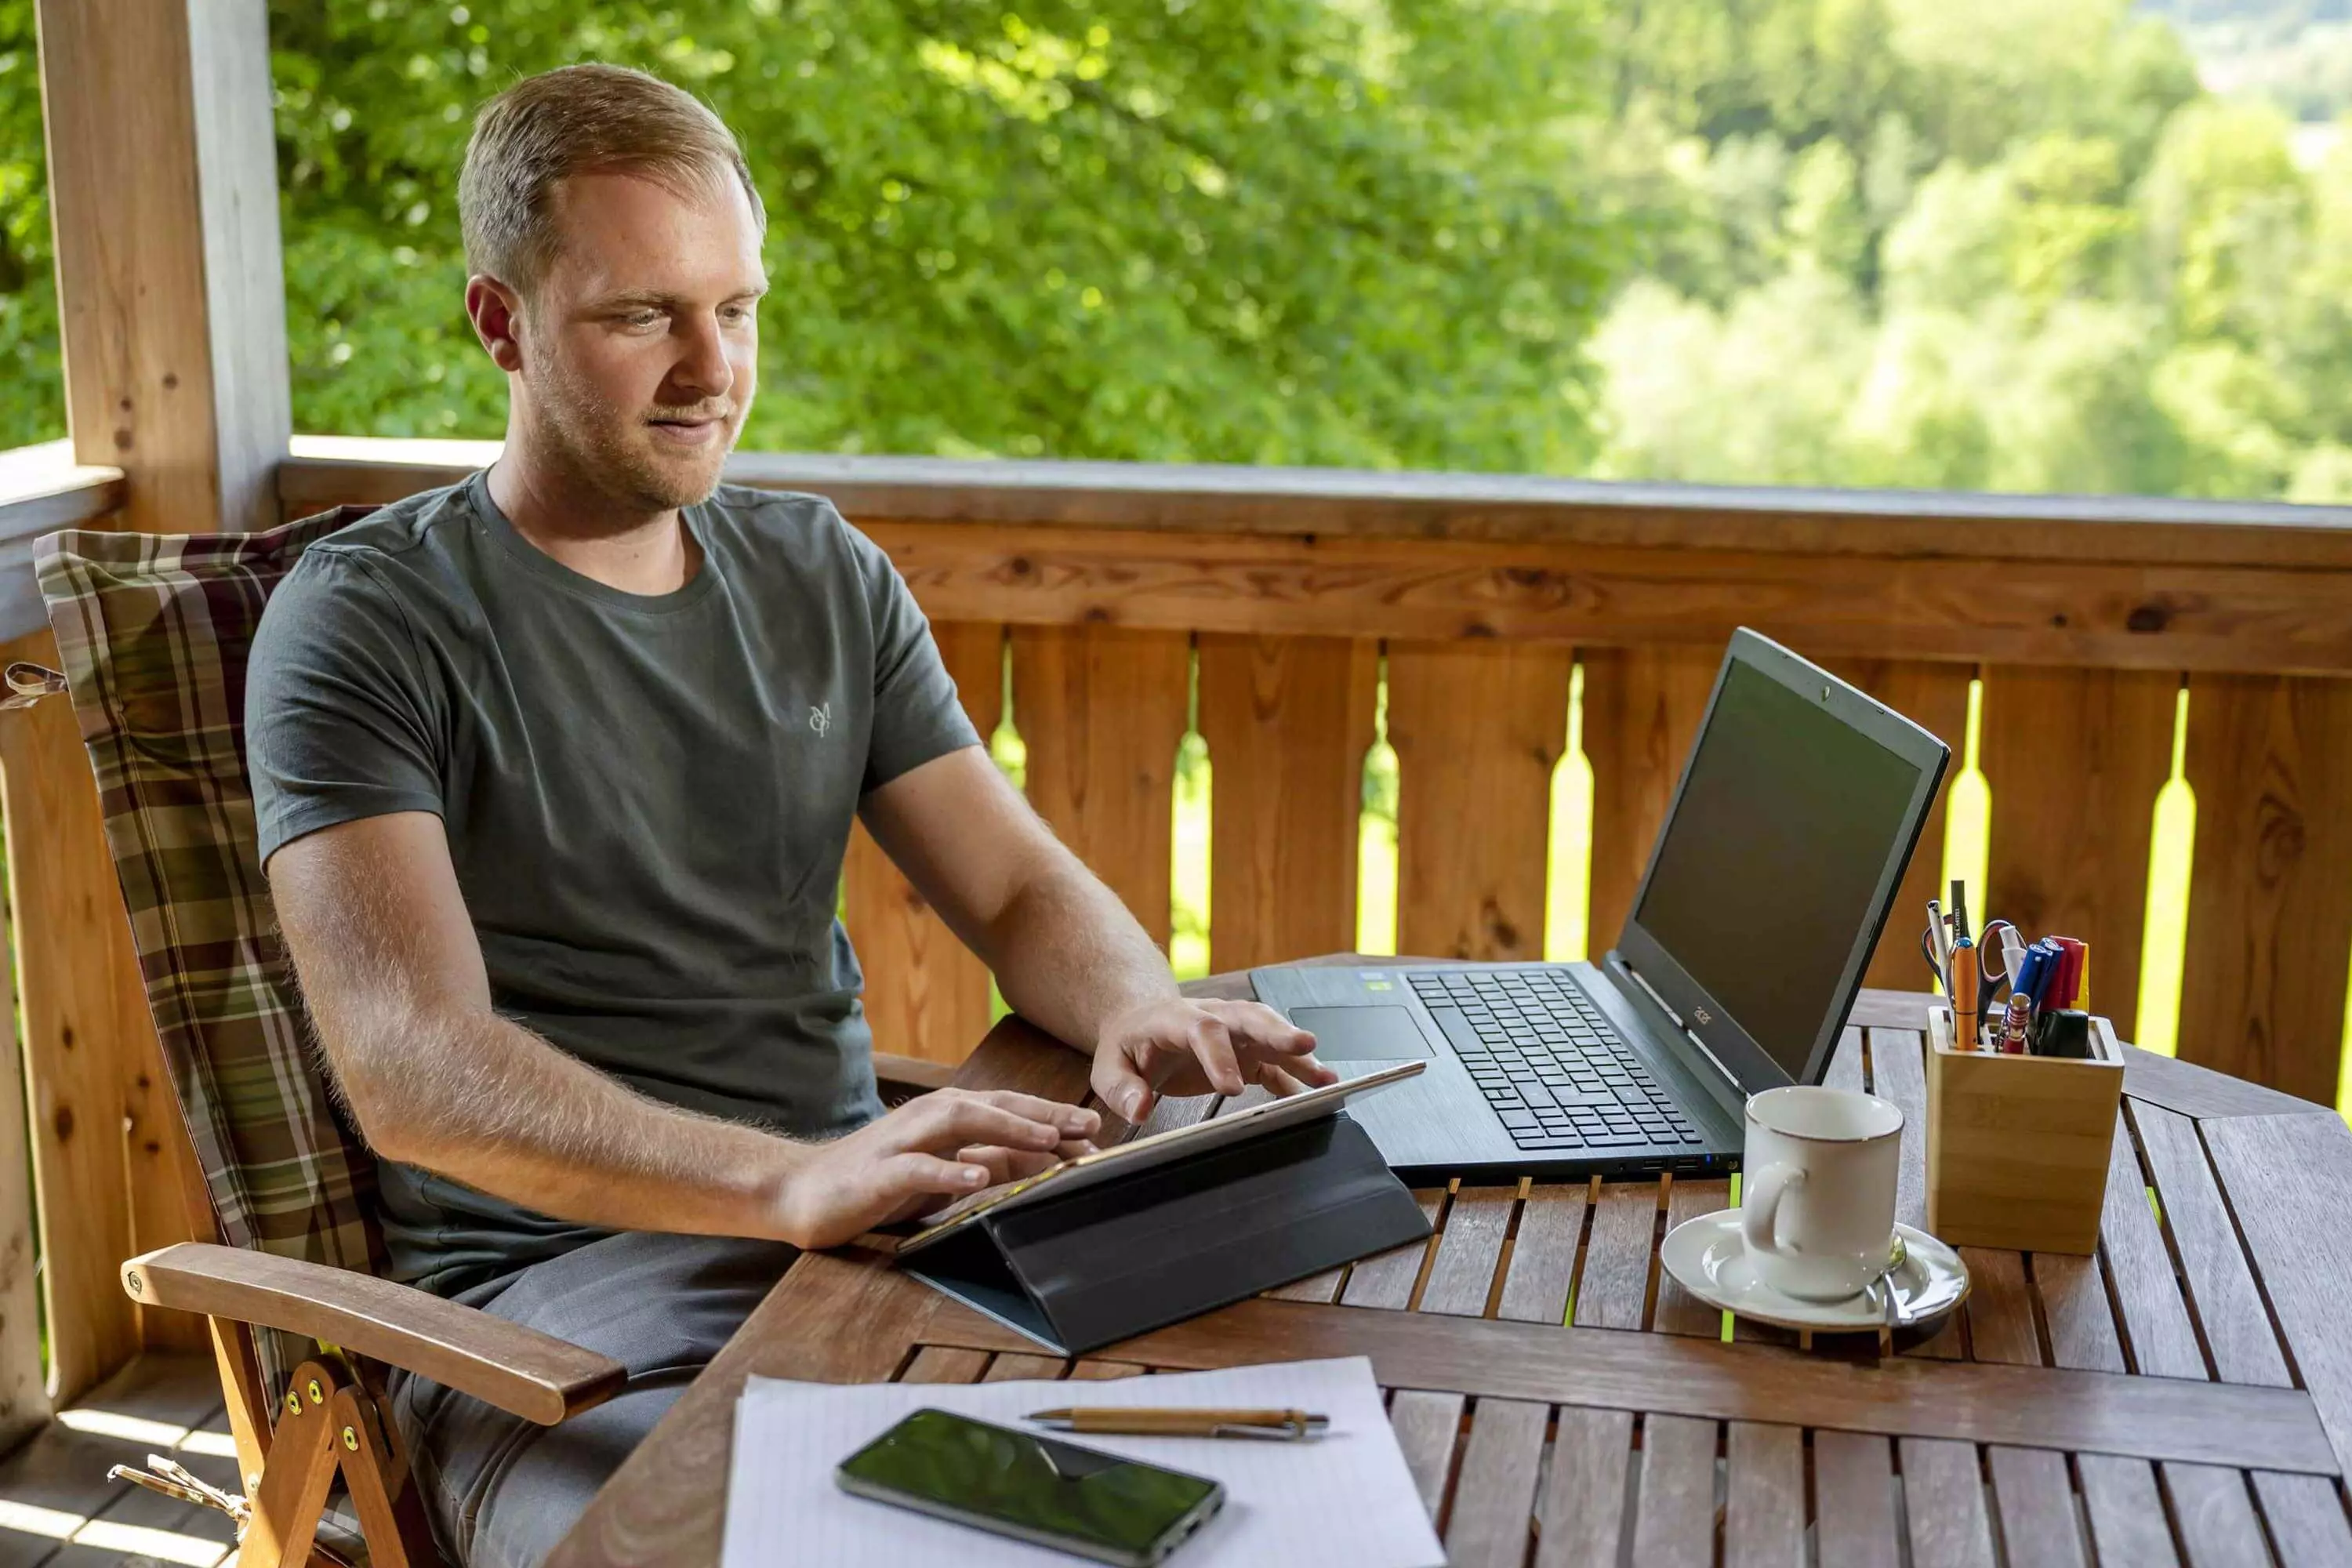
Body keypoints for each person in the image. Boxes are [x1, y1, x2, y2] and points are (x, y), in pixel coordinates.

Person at [246, 62, 1330, 1568]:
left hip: (880, 1239)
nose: (710, 370)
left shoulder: (821, 574)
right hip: (568, 1307)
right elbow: (419, 1074)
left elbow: (1014, 888)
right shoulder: (368, 621)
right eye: (642, 317)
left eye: (735, 309)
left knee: (1262, 1448)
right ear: (498, 322)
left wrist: (1132, 1006)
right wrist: (787, 1180)